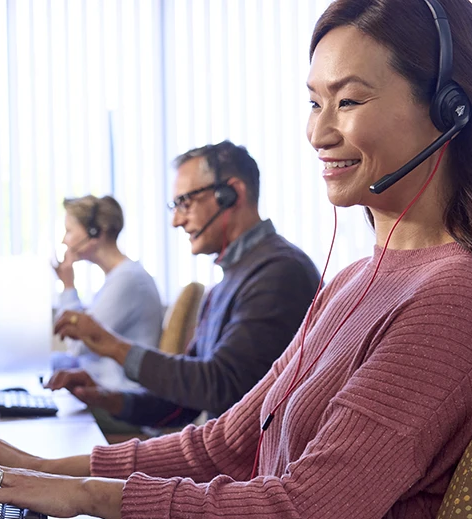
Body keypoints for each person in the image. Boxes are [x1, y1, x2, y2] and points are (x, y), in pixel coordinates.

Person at [0, 0, 472, 519]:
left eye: (348, 101)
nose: (319, 132)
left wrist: (86, 498)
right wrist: (39, 469)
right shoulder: (357, 278)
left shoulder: (460, 302)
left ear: (450, 110)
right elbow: (223, 446)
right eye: (315, 102)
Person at [49, 141, 319, 432]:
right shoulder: (228, 282)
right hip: (221, 457)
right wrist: (107, 398)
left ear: (231, 195)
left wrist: (112, 345)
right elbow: (182, 402)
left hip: (252, 470)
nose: (177, 220)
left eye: (185, 203)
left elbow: (221, 386)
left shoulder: (280, 272)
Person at [50, 195, 164, 392]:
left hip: (120, 393)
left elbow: (78, 346)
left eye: (69, 231)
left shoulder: (128, 280)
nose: (63, 240)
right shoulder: (119, 277)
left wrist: (68, 286)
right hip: (108, 385)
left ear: (95, 233)